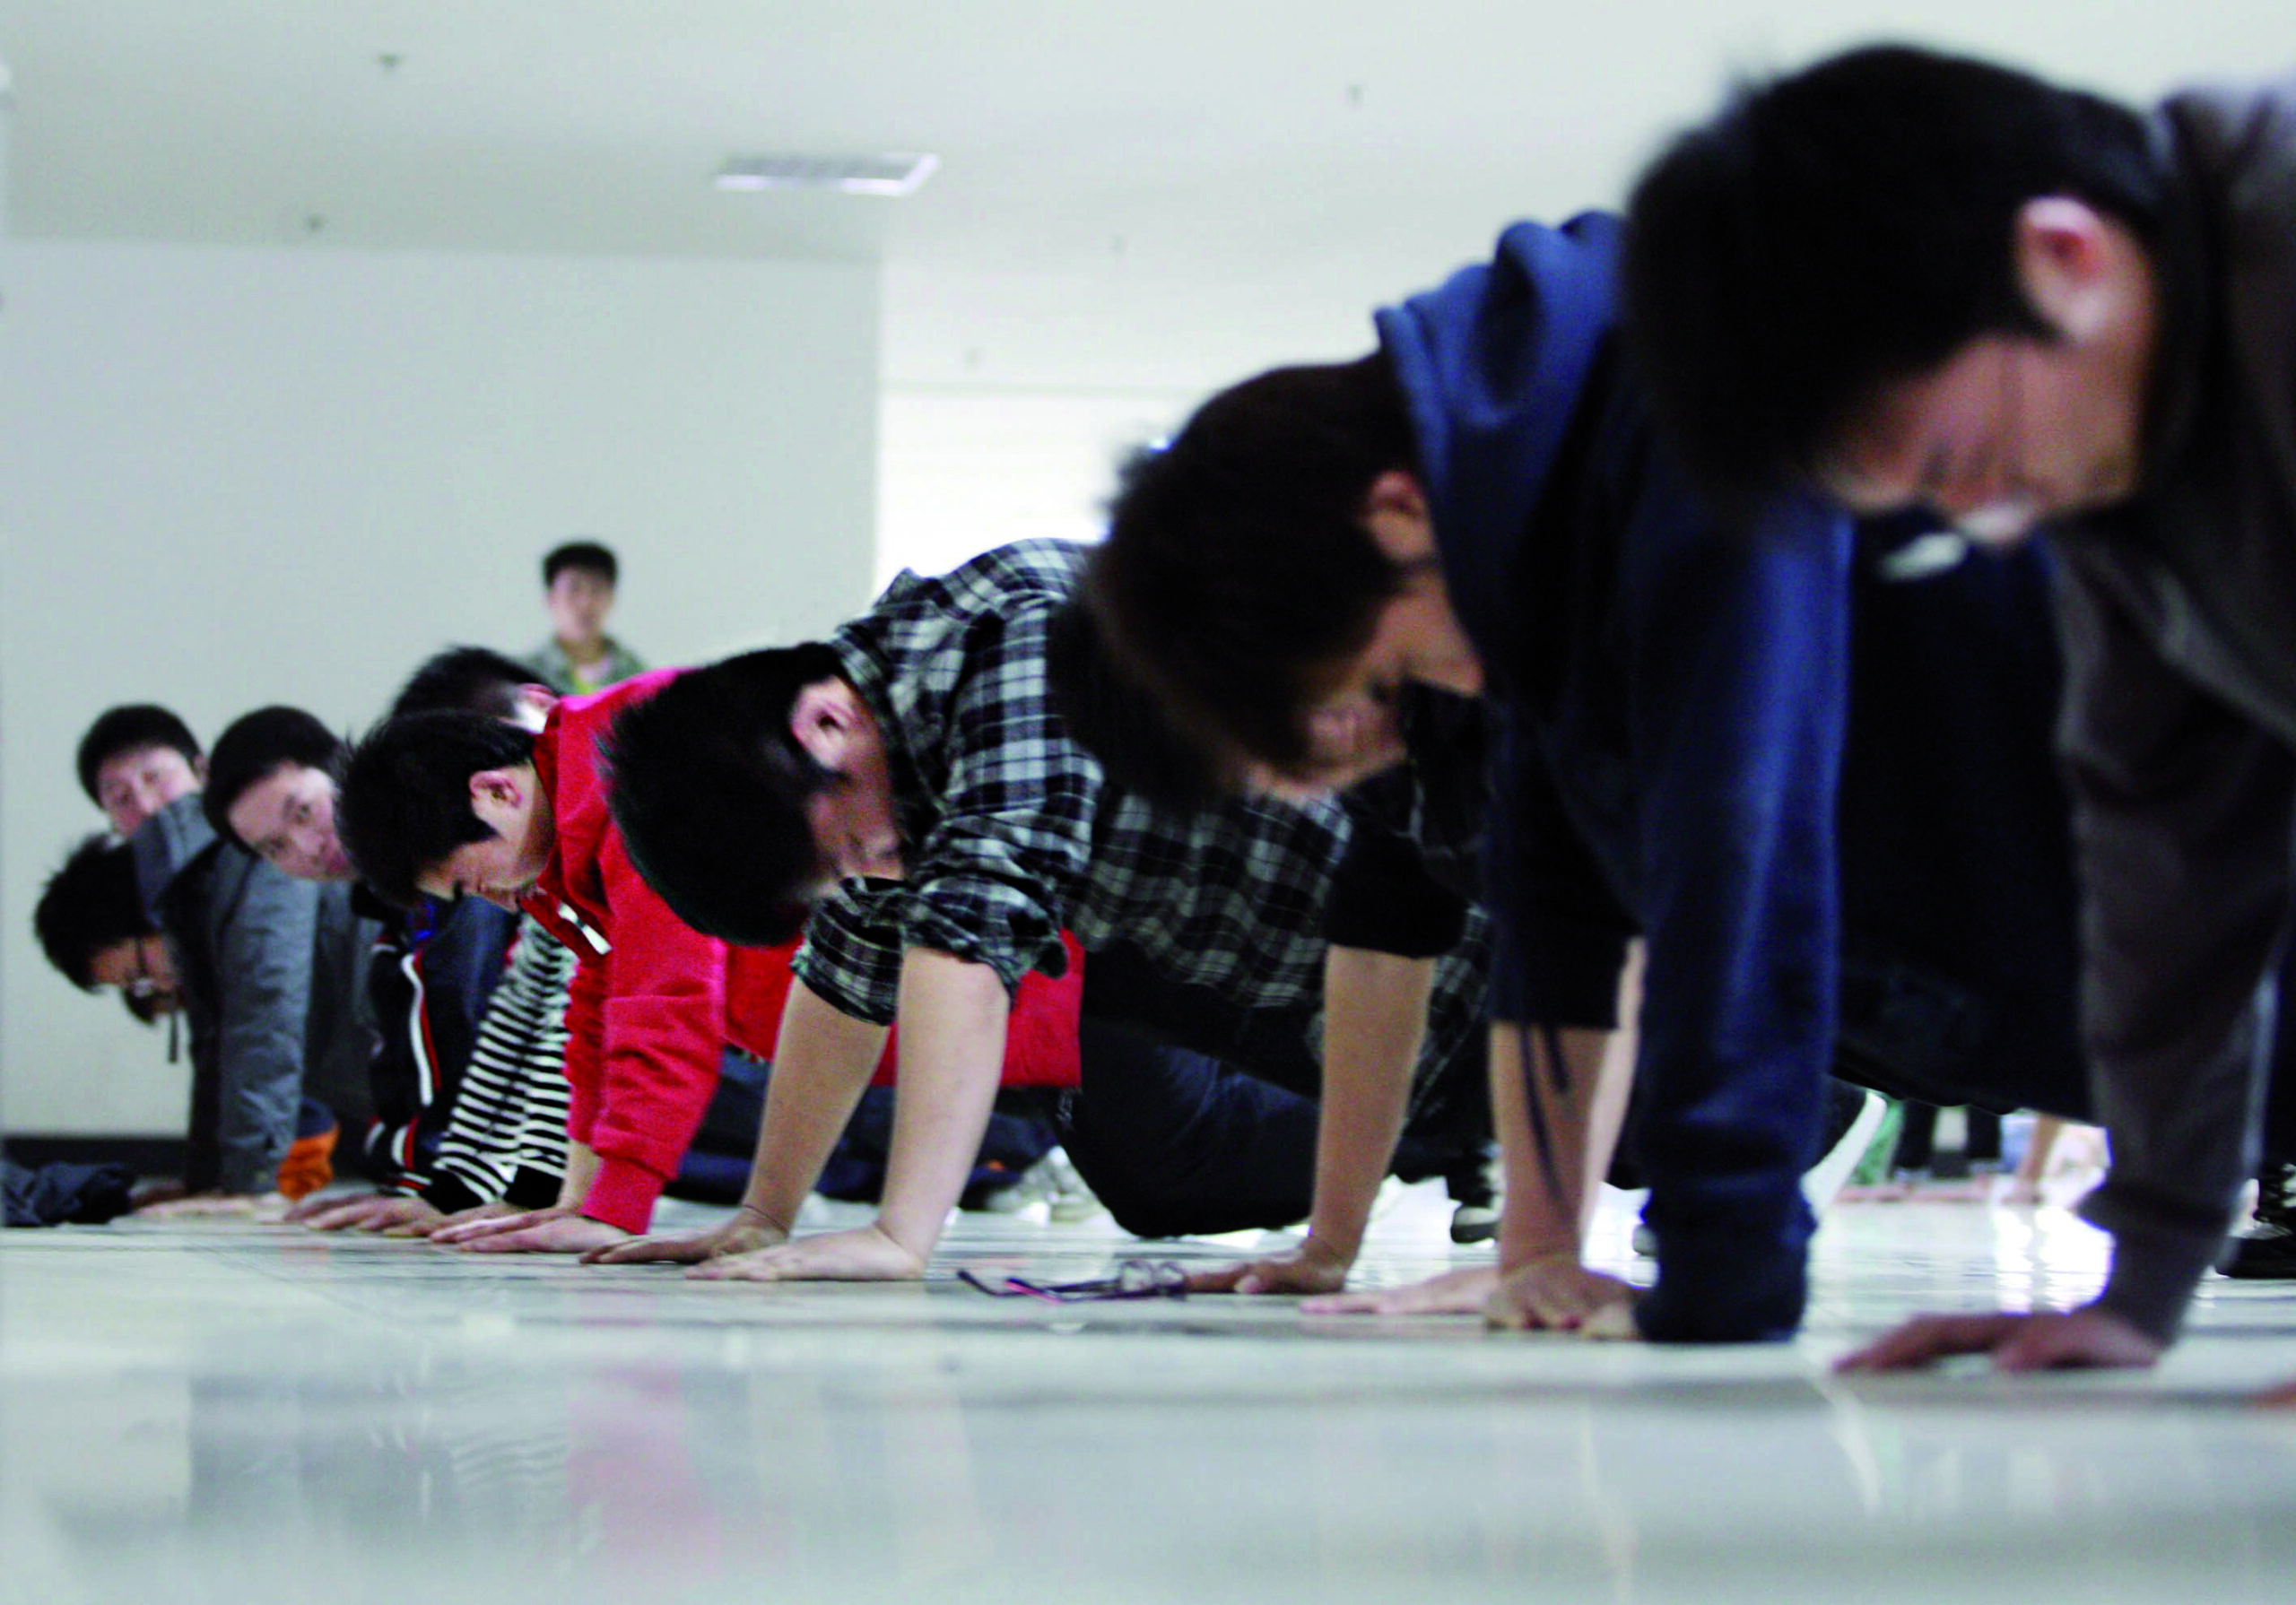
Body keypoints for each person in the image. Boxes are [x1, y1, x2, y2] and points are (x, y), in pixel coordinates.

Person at [1619, 45, 2296, 1371]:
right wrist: (2139, 1285)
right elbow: (2171, 887)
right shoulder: (2123, 492)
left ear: (2061, 256)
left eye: (1965, 462)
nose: (1991, 522)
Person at [1081, 214, 1850, 1343]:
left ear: (1395, 511)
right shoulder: (1511, 537)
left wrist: (1723, 1259)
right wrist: (1532, 1256)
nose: (1455, 682)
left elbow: (1731, 831)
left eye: (1391, 679)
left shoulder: (1658, 411)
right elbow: (1560, 904)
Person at [587, 540, 1492, 1288]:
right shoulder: (880, 738)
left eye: (849, 847)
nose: (870, 866)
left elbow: (971, 930)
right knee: (1163, 1166)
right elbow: (842, 973)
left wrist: (900, 1234)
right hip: (1329, 985)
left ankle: (1486, 1160)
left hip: (1474, 955)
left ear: (824, 723)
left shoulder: (1024, 634)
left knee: (1542, 1119)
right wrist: (763, 1214)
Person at [335, 660, 1085, 1254]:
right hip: (864, 1023)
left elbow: (664, 1004)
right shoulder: (561, 844)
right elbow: (593, 1014)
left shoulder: (626, 786)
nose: (492, 901)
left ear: (495, 792)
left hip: (999, 992)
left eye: (473, 880)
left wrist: (616, 1209)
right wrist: (577, 1197)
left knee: (1130, 1131)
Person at [204, 703, 517, 1226]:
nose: (307, 848)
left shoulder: (445, 844)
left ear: (343, 766)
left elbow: (463, 1014)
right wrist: (403, 1185)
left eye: (303, 812)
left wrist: (442, 1188)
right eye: (275, 848)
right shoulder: (383, 898)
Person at [32, 833, 344, 1209]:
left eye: (139, 975)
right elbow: (220, 1057)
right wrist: (204, 1183)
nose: (162, 987)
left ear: (149, 916)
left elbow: (264, 1037)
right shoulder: (205, 927)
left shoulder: (244, 890)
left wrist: (251, 1189)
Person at [527, 540, 646, 696]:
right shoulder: (526, 678)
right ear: (551, 599)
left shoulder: (638, 677)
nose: (586, 603)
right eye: (573, 589)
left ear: (612, 598)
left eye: (596, 590)